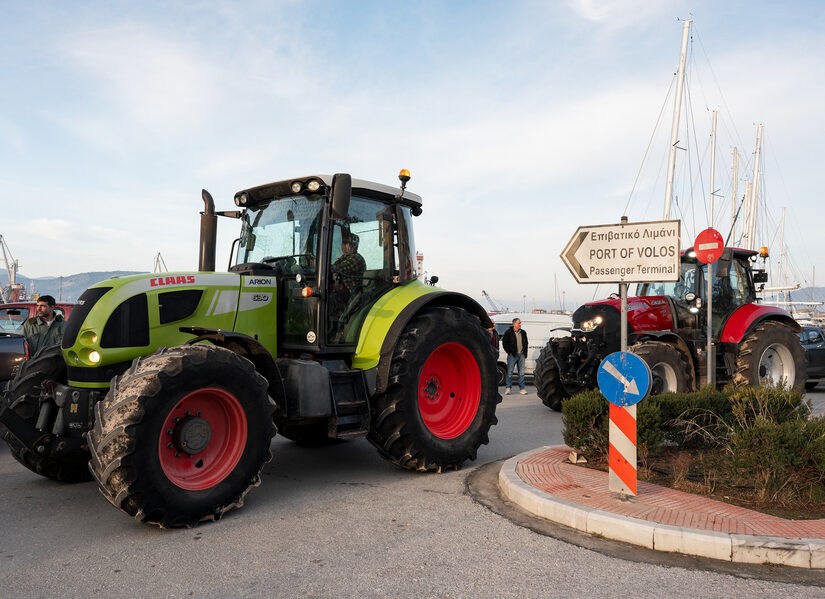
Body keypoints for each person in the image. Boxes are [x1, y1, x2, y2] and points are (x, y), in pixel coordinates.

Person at [501, 317, 528, 395]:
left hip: (521, 355)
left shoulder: (523, 332)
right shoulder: (508, 332)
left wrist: (525, 353)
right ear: (514, 324)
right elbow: (504, 343)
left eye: (520, 323)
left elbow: (526, 343)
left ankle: (522, 388)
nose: (520, 324)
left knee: (522, 373)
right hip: (512, 356)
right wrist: (509, 352)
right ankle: (508, 388)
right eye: (519, 323)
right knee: (510, 372)